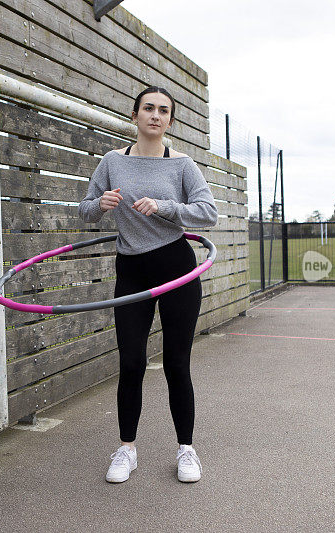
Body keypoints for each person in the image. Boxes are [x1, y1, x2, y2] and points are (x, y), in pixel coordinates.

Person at [78, 87, 218, 483]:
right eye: (148, 109)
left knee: (176, 363)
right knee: (131, 363)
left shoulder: (183, 165)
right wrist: (100, 205)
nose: (155, 116)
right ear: (135, 115)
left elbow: (208, 213)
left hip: (176, 267)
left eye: (163, 111)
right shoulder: (111, 162)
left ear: (170, 120)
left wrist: (166, 206)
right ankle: (126, 450)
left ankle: (186, 450)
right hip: (132, 271)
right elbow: (86, 210)